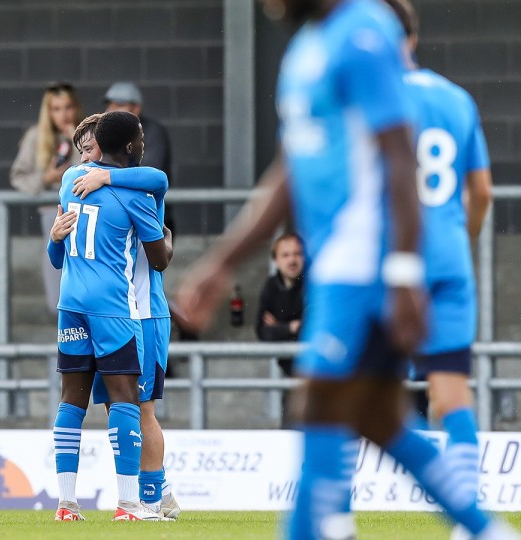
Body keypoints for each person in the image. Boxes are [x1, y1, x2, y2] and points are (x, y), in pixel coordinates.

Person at [175, 0, 510, 538]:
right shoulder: (305, 49)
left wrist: (404, 272)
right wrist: (222, 262)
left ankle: (320, 528)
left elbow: (400, 156)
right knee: (378, 417)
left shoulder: (363, 33)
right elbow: (290, 171)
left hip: (367, 263)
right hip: (337, 265)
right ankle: (481, 528)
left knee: (319, 402)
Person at [384, 2, 493, 537]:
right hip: (450, 259)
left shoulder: (374, 95)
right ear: (415, 35)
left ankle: (329, 511)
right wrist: (458, 237)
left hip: (393, 260)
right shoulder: (456, 98)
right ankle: (468, 516)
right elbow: (482, 191)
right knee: (451, 393)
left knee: (357, 393)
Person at [49, 113, 180, 519]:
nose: (84, 156)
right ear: (128, 145)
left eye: (88, 147)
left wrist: (105, 177)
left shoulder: (72, 181)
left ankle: (146, 494)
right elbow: (159, 258)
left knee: (95, 402)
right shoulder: (135, 195)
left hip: (78, 305)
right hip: (127, 308)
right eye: (82, 149)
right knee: (132, 405)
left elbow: (57, 257)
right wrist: (167, 241)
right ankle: (140, 500)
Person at [10, 82, 83, 315]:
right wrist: (46, 178)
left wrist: (77, 141)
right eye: (56, 109)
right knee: (57, 292)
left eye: (68, 107)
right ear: (48, 112)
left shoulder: (85, 134)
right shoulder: (36, 136)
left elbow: (94, 169)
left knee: (85, 290)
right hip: (54, 214)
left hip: (85, 213)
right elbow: (18, 176)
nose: (64, 115)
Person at [255, 233, 305, 428]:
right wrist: (291, 327)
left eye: (297, 254)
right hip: (291, 376)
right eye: (286, 255)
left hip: (323, 377)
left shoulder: (315, 285)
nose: (292, 260)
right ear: (275, 260)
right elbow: (262, 332)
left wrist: (278, 327)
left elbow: (313, 331)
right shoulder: (271, 287)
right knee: (289, 434)